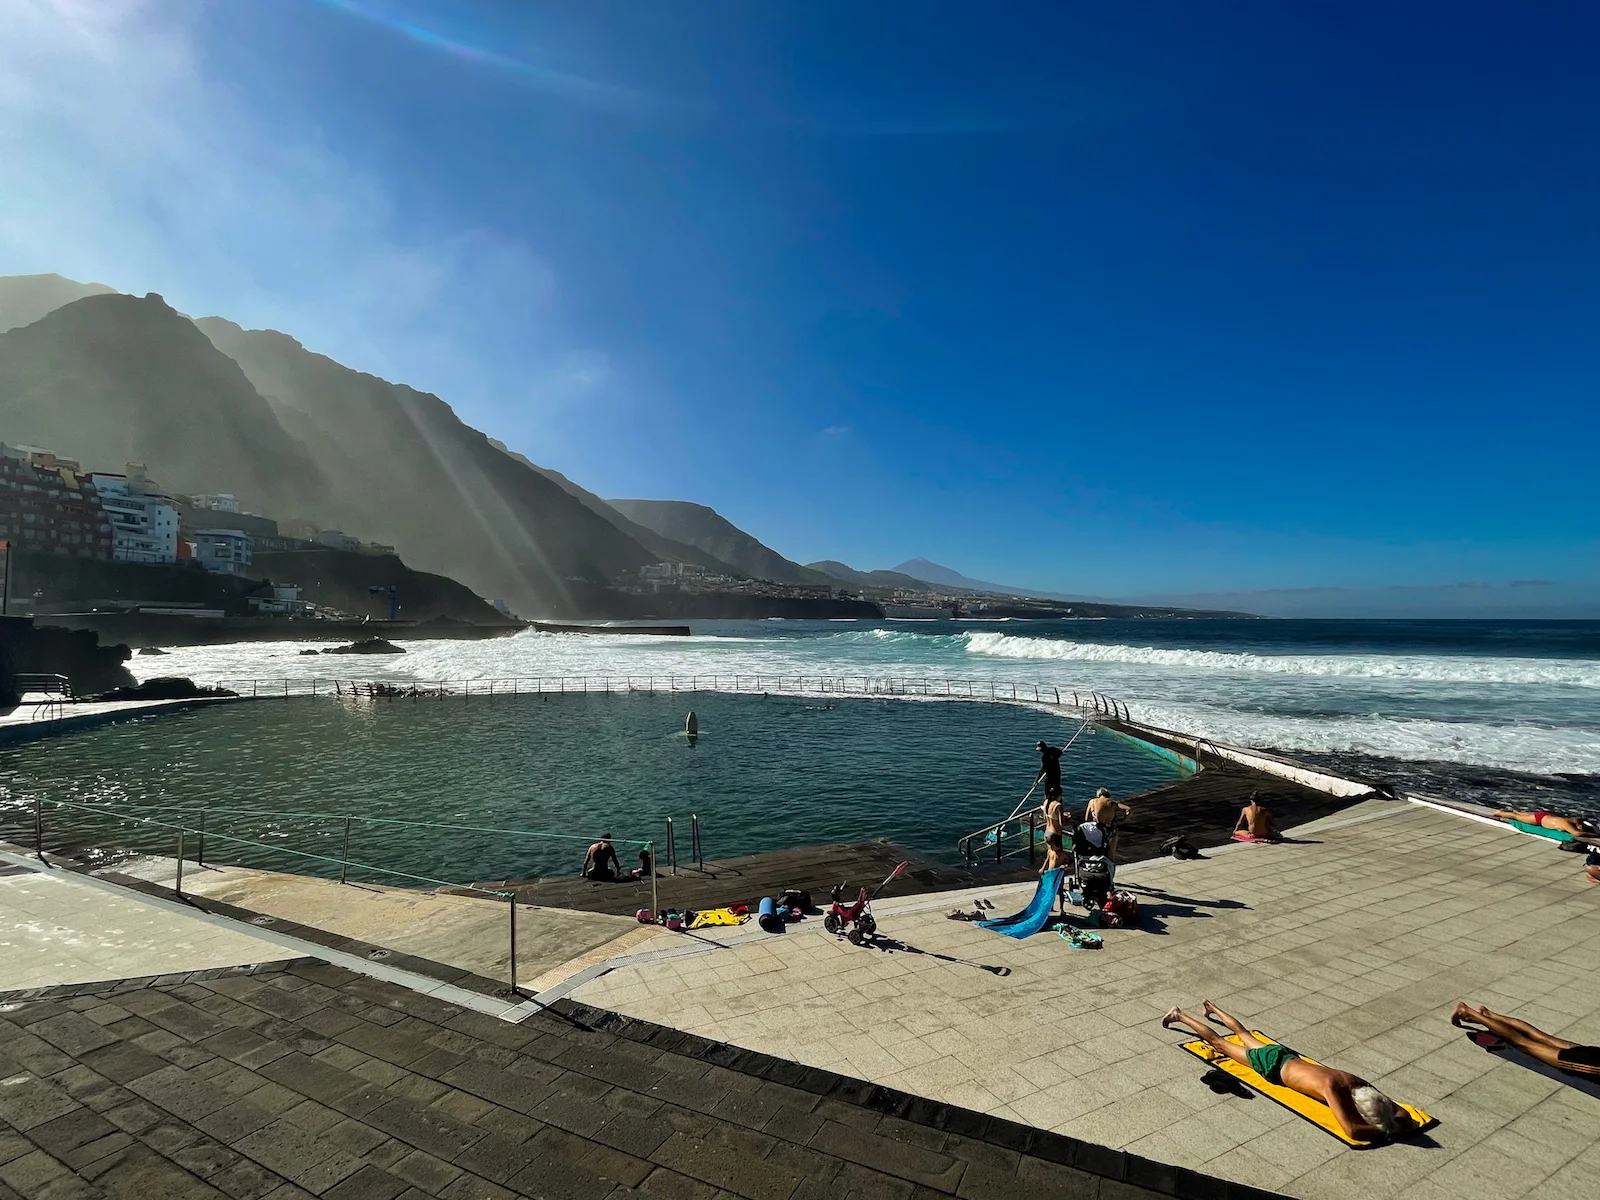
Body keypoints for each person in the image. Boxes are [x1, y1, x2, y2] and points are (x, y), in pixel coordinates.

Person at [1162, 1001, 1414, 1142]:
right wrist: (1385, 1129)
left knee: (1244, 1034)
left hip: (1285, 1056)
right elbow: (1352, 1129)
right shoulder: (1332, 1089)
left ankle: (1212, 1008)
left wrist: (1395, 1119)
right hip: (1270, 1065)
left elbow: (1399, 1111)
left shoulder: (1355, 1082)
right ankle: (1180, 1015)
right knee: (1220, 1044)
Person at [1451, 1003, 1600, 1078]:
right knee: (1523, 1043)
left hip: (1594, 1057)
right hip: (1590, 1065)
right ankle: (1470, 1012)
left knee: (1541, 1037)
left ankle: (1489, 1016)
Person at [1492, 810, 1598, 839]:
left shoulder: (1571, 821)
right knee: (1516, 817)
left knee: (1522, 815)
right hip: (1540, 819)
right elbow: (1577, 834)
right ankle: (1499, 813)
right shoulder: (1565, 823)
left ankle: (1517, 811)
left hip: (1545, 817)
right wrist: (1596, 836)